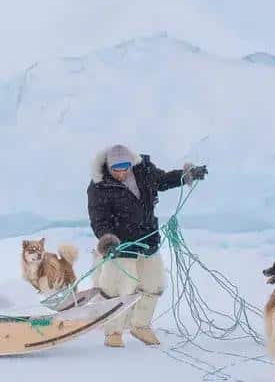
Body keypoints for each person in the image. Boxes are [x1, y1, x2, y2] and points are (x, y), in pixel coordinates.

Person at [87, 144, 208, 347]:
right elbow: (99, 219)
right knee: (117, 287)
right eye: (115, 169)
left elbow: (163, 180)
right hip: (120, 244)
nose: (120, 173)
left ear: (130, 164)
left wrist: (187, 174)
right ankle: (113, 332)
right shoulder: (99, 185)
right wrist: (107, 241)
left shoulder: (144, 170)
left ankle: (140, 326)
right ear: (108, 167)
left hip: (147, 239)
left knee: (154, 283)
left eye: (124, 168)